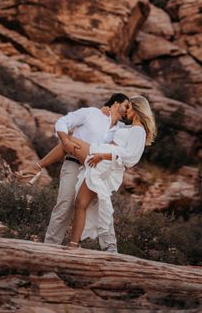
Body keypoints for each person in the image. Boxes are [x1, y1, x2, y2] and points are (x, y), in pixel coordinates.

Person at [31, 93, 130, 252]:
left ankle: (77, 247)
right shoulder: (92, 113)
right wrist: (65, 141)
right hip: (74, 164)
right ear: (116, 104)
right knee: (64, 205)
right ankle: (49, 248)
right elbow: (63, 122)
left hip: (95, 173)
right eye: (126, 106)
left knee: (87, 208)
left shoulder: (122, 130)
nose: (127, 110)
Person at [66, 95, 156, 248]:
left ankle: (75, 244)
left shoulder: (139, 131)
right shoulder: (129, 128)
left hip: (105, 162)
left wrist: (103, 155)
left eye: (129, 108)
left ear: (136, 109)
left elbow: (131, 157)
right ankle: (75, 243)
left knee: (70, 140)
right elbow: (112, 126)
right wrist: (104, 111)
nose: (126, 111)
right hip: (102, 158)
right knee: (81, 203)